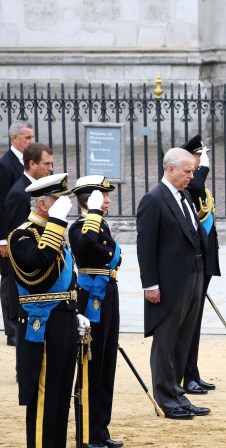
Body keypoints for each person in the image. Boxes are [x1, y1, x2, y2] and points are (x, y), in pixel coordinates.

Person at [8, 173, 90, 447]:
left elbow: (67, 276)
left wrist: (73, 309)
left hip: (63, 320)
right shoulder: (22, 235)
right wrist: (56, 223)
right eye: (58, 199)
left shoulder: (53, 234)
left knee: (61, 394)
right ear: (43, 204)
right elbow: (39, 268)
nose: (64, 205)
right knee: (44, 395)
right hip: (42, 326)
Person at [136, 147, 210, 420]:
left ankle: (178, 393)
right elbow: (145, 246)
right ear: (170, 169)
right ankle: (166, 399)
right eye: (188, 171)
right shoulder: (153, 200)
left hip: (194, 276)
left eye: (193, 171)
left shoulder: (184, 196)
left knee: (182, 341)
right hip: (169, 283)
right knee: (165, 342)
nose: (192, 176)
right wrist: (150, 284)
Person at [69, 175, 123, 448]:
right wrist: (92, 213)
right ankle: (88, 433)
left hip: (108, 292)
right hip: (91, 296)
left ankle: (101, 429)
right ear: (89, 200)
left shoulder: (100, 225)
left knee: (106, 363)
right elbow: (85, 246)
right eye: (103, 196)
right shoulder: (80, 227)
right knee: (91, 364)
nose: (108, 200)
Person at [179, 135, 220, 395]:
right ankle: (186, 375)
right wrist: (202, 169)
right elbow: (195, 187)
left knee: (195, 324)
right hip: (191, 262)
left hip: (204, 260)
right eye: (198, 156)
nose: (202, 160)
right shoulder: (188, 185)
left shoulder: (196, 185)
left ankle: (192, 372)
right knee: (187, 325)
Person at [3, 143, 54, 347]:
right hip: (26, 271)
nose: (50, 168)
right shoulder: (19, 193)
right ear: (32, 164)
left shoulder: (37, 188)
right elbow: (17, 237)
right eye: (46, 164)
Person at [0, 120, 35, 346]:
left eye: (32, 137)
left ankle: (20, 323)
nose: (31, 142)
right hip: (8, 234)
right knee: (8, 281)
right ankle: (12, 330)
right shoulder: (5, 165)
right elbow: (1, 205)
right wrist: (2, 240)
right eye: (27, 138)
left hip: (23, 232)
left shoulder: (26, 161)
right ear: (15, 138)